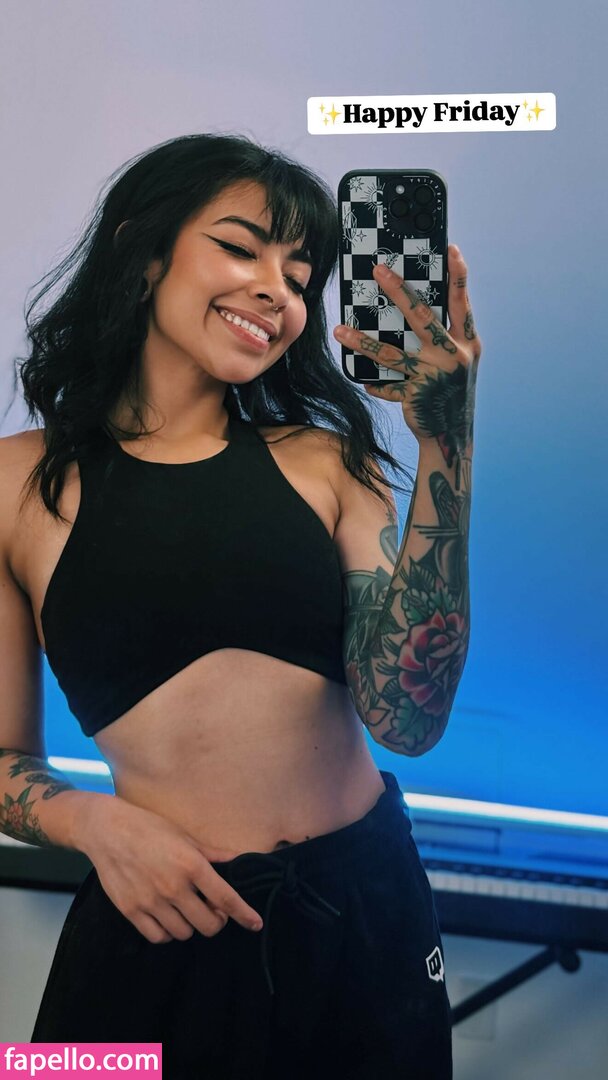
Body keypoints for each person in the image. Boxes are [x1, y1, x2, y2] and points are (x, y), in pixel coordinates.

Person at [0, 133, 481, 1079]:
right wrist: (94, 825)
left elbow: (409, 719)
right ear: (144, 251)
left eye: (300, 279)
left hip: (366, 919)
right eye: (241, 248)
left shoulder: (328, 463)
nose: (277, 293)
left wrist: (446, 443)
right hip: (150, 919)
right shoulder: (15, 484)